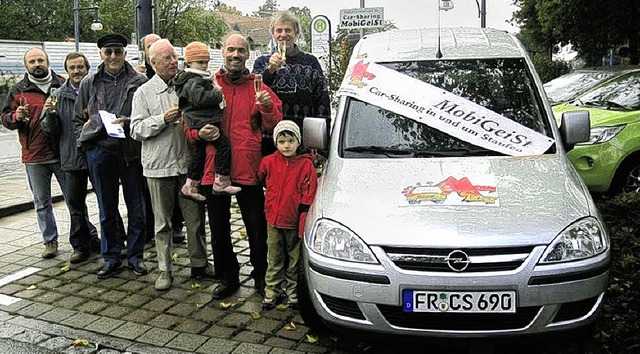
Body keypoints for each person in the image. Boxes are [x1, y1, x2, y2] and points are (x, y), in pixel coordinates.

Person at [184, 34, 282, 299]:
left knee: (256, 227)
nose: (235, 54)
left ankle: (261, 276)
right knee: (218, 227)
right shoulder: (208, 82)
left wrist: (268, 106)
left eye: (241, 50)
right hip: (213, 169)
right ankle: (228, 276)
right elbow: (188, 118)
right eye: (231, 49)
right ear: (223, 52)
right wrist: (196, 135)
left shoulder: (257, 86)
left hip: (247, 168)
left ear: (248, 55)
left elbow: (275, 124)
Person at [131, 38, 216, 291]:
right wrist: (161, 119)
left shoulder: (187, 85)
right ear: (153, 62)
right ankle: (164, 270)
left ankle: (199, 264)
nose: (173, 62)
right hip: (158, 167)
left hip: (189, 165)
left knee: (196, 219)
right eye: (166, 58)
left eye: (174, 57)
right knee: (163, 223)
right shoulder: (143, 92)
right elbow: (135, 129)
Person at [73, 33, 149, 279]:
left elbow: (147, 115)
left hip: (131, 152)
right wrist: (85, 143)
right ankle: (111, 257)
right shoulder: (89, 82)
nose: (113, 56)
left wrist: (127, 122)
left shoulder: (139, 81)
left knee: (136, 206)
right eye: (109, 52)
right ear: (101, 55)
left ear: (125, 53)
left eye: (118, 51)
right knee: (106, 208)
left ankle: (136, 256)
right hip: (100, 150)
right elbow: (77, 119)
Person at [1, 47, 65, 258]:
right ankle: (50, 241)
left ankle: (84, 236)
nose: (37, 64)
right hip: (34, 155)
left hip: (63, 153)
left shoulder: (62, 84)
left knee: (74, 198)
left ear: (48, 62)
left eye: (40, 60)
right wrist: (15, 117)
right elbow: (4, 118)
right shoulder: (18, 90)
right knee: (41, 202)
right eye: (32, 61)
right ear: (26, 65)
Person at [40, 52, 100, 263]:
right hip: (72, 158)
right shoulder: (57, 95)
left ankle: (112, 242)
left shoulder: (96, 89)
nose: (76, 71)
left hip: (96, 154)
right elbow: (48, 131)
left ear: (87, 68)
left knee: (105, 202)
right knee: (75, 205)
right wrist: (50, 115)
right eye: (72, 68)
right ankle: (80, 246)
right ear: (66, 71)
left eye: (80, 67)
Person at [252, 11, 331, 156]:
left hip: (302, 140)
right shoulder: (261, 62)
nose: (283, 34)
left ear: (296, 32)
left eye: (288, 30)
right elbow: (255, 95)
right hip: (270, 140)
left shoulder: (310, 62)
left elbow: (322, 101)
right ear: (273, 34)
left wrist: (321, 143)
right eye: (279, 30)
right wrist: (270, 70)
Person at [257, 120, 317, 309]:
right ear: (276, 143)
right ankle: (272, 290)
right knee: (274, 257)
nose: (286, 145)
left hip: (293, 221)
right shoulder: (268, 162)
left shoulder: (306, 166)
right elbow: (262, 177)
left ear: (298, 142)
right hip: (274, 219)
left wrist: (303, 216)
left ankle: (293, 292)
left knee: (294, 259)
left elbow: (309, 193)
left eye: (290, 141)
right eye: (282, 142)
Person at [172, 41, 241, 200]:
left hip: (198, 120)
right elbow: (200, 97)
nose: (204, 65)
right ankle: (221, 180)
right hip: (202, 121)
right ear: (189, 62)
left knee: (198, 154)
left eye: (206, 62)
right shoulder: (193, 79)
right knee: (223, 146)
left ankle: (191, 184)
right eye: (200, 62)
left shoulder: (191, 77)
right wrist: (217, 93)